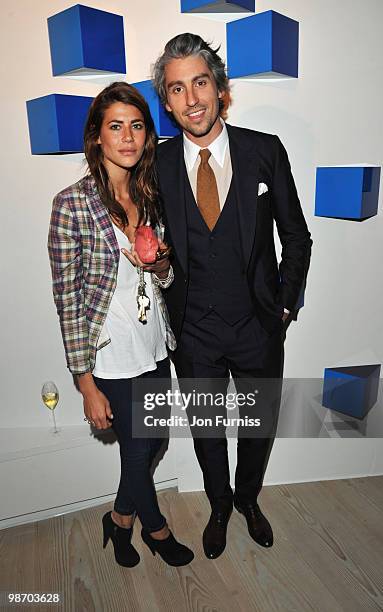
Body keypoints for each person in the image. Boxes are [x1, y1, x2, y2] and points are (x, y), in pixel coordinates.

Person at [152, 33, 312, 559]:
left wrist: (284, 307)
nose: (191, 99)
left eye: (200, 82)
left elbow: (296, 234)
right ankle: (219, 505)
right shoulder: (156, 163)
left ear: (221, 90)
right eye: (177, 89)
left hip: (258, 326)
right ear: (167, 100)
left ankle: (248, 500)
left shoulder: (263, 150)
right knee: (206, 430)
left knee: (257, 423)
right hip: (193, 332)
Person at [48, 82, 194, 568]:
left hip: (153, 343)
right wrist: (85, 382)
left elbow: (166, 275)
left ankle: (119, 517)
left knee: (153, 440)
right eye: (116, 126)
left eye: (137, 126)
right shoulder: (71, 205)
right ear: (97, 136)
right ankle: (156, 528)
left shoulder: (150, 195)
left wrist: (159, 266)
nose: (128, 137)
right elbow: (67, 301)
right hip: (110, 352)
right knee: (138, 449)